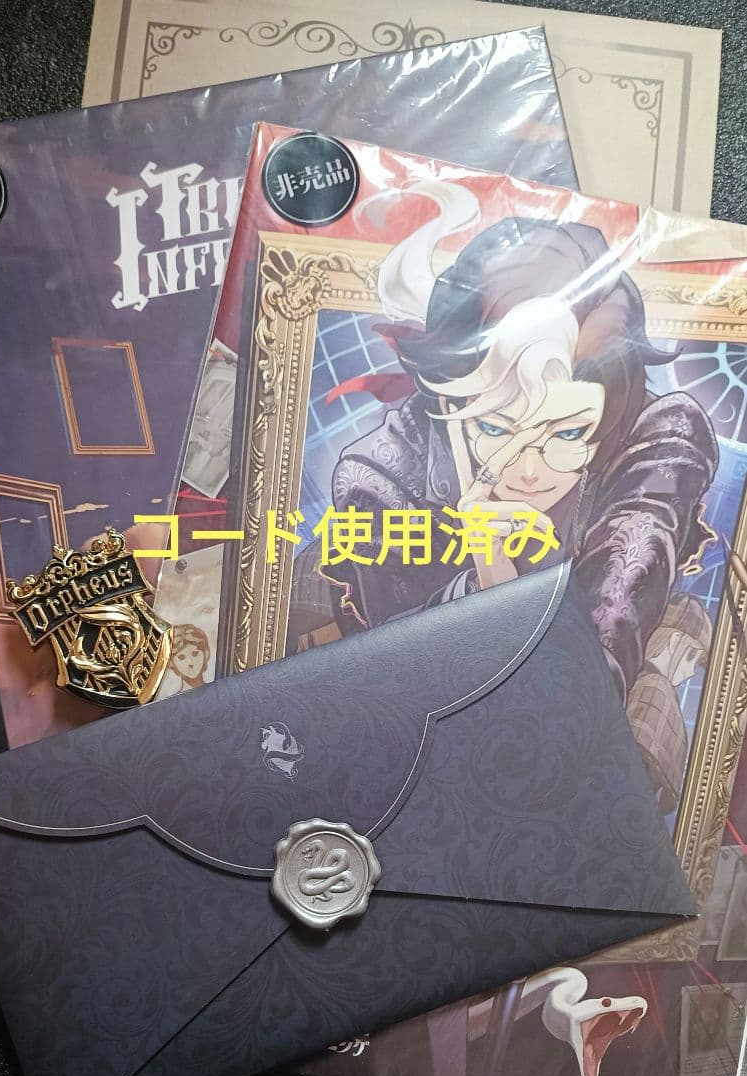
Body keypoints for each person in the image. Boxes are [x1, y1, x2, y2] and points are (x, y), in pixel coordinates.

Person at [289, 202, 718, 701]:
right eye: (495, 427)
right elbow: (403, 676)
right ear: (448, 403)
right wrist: (485, 580)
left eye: (567, 434)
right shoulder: (384, 476)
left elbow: (596, 666)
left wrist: (503, 590)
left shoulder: (658, 439)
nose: (528, 471)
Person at [626, 593, 712, 813]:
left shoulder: (644, 685)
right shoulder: (654, 689)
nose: (691, 672)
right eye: (691, 656)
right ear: (674, 642)